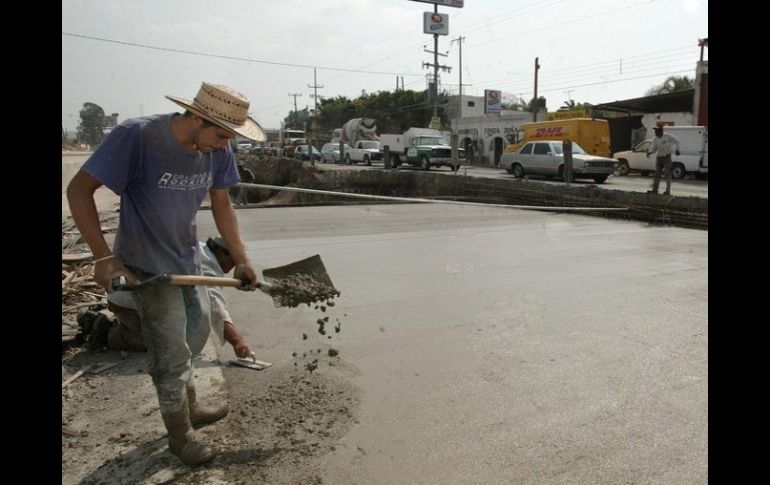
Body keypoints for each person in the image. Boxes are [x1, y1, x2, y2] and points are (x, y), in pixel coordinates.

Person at [66, 82, 264, 466]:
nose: (225, 145)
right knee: (170, 350)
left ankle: (189, 407)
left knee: (198, 330)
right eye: (221, 134)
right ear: (196, 117)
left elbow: (221, 203)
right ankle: (179, 436)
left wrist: (241, 258)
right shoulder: (137, 137)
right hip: (144, 265)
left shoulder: (216, 149)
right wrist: (103, 256)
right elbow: (78, 190)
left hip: (187, 259)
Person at [95, 237, 252, 359]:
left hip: (136, 294)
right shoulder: (205, 266)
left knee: (185, 326)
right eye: (233, 260)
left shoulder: (200, 249)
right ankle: (106, 332)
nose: (234, 266)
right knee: (168, 346)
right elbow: (214, 307)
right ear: (221, 252)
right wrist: (237, 341)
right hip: (128, 301)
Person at [646, 125, 680, 195]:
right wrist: (650, 152)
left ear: (661, 131)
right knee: (657, 174)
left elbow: (677, 141)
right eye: (655, 131)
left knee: (668, 174)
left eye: (656, 131)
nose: (655, 132)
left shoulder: (668, 136)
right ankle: (655, 190)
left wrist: (677, 149)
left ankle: (667, 191)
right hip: (659, 158)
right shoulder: (655, 139)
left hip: (667, 157)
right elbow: (654, 149)